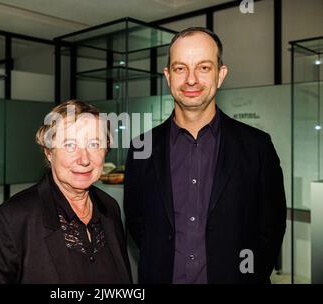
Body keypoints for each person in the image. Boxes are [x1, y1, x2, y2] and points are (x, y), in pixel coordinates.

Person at [123, 27, 286, 284]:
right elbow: (137, 222)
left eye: (204, 68)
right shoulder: (142, 147)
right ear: (168, 76)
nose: (191, 79)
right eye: (180, 68)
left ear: (221, 75)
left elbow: (271, 227)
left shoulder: (257, 147)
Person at [0, 100, 131, 284]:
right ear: (48, 152)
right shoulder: (10, 221)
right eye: (70, 145)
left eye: (94, 144)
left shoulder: (110, 208)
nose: (84, 159)